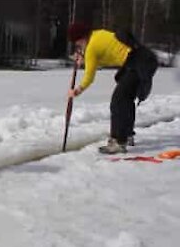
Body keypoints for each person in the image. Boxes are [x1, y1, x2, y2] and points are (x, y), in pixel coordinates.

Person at [67, 22, 158, 154]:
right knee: (125, 100)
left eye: (77, 42)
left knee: (118, 101)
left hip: (136, 63)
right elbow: (108, 57)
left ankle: (118, 141)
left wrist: (77, 90)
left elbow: (90, 75)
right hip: (142, 59)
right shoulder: (97, 35)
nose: (78, 45)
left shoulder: (92, 46)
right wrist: (85, 59)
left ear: (81, 38)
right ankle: (126, 135)